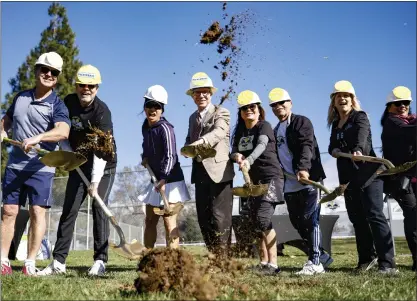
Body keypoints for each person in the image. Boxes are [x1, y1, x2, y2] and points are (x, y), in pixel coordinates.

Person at [38, 64, 117, 277]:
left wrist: (94, 182)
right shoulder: (68, 103)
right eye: (82, 85)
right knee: (69, 210)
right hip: (78, 160)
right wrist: (68, 155)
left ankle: (100, 261)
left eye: (91, 86)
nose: (86, 89)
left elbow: (101, 153)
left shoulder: (102, 113)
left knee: (99, 209)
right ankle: (58, 262)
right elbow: (61, 133)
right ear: (76, 85)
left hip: (104, 165)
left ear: (97, 88)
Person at [1, 52, 70, 276]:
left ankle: (30, 263)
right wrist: (2, 130)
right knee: (9, 211)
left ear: (57, 77)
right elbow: (7, 119)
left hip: (42, 168)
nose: (48, 74)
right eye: (44, 70)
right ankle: (3, 261)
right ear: (37, 71)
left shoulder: (56, 105)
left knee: (37, 213)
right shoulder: (20, 97)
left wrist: (38, 138)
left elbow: (63, 131)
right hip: (15, 166)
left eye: (54, 72)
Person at [328, 80, 397, 274]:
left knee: (374, 215)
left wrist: (358, 149)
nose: (342, 98)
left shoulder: (360, 117)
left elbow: (362, 136)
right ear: (333, 101)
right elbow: (331, 145)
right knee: (357, 219)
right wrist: (333, 150)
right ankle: (367, 259)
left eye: (346, 95)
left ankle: (388, 264)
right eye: (338, 96)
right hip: (349, 178)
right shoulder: (335, 124)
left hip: (370, 174)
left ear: (352, 99)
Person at [269, 87, 333, 275]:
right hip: (290, 184)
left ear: (290, 103)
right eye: (274, 105)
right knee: (297, 221)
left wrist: (304, 169)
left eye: (282, 103)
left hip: (309, 180)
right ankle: (322, 256)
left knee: (310, 219)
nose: (278, 107)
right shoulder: (275, 130)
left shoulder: (301, 122)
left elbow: (307, 146)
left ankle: (314, 262)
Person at [230, 90, 284, 275]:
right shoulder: (240, 131)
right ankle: (263, 262)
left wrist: (249, 160)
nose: (248, 110)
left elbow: (261, 145)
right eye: (244, 108)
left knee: (263, 218)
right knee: (255, 221)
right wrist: (236, 155)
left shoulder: (264, 126)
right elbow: (234, 150)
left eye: (252, 107)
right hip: (252, 182)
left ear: (259, 109)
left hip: (272, 179)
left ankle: (273, 264)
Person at [182, 72, 235, 258]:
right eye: (197, 92)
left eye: (205, 92)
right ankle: (214, 256)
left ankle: (224, 259)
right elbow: (189, 139)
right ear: (193, 96)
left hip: (219, 172)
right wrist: (187, 147)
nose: (201, 96)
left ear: (211, 94)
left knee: (220, 218)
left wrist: (198, 144)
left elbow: (219, 132)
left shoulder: (221, 112)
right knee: (204, 219)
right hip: (200, 174)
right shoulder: (191, 118)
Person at [138, 85, 190, 249]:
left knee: (169, 221)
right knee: (150, 220)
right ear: (144, 106)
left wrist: (164, 178)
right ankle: (148, 257)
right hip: (155, 179)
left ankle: (173, 261)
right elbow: (146, 146)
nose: (152, 110)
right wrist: (145, 157)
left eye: (157, 107)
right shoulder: (145, 127)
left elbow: (171, 156)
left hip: (171, 180)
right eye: (149, 105)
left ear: (162, 109)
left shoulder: (166, 129)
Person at [381, 86, 416, 271]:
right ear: (389, 107)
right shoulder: (393, 123)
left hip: (414, 178)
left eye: (406, 102)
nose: (402, 105)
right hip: (402, 181)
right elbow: (409, 132)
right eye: (397, 103)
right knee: (413, 217)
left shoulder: (412, 121)